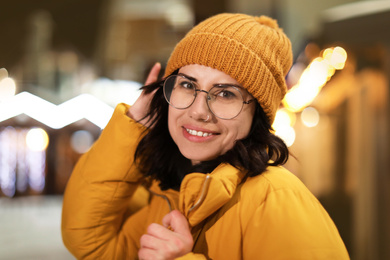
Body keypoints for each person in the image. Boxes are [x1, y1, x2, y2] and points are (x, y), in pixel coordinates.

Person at [61, 13, 350, 259]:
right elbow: (91, 242)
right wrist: (134, 125)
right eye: (187, 85)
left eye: (225, 93)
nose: (199, 111)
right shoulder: (169, 189)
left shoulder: (275, 200)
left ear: (257, 114)